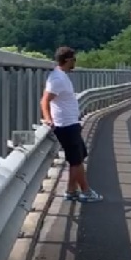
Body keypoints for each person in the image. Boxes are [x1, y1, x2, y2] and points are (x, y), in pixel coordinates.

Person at [40, 46, 103, 202]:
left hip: (70, 124)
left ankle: (71, 191)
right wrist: (48, 118)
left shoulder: (61, 76)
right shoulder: (57, 79)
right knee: (76, 160)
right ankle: (86, 191)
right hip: (65, 125)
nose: (75, 62)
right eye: (74, 59)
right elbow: (45, 100)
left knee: (78, 158)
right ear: (67, 60)